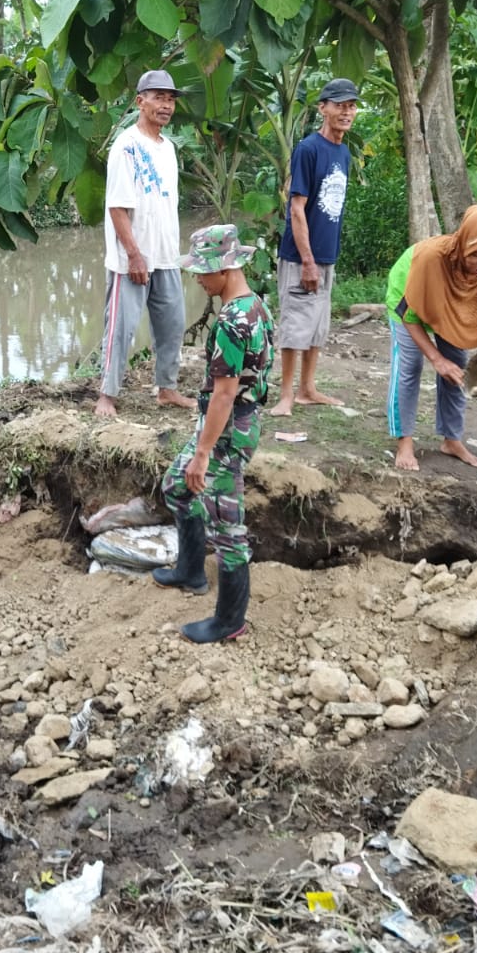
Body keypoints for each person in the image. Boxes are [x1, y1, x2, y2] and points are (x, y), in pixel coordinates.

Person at [152, 225, 275, 643]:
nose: (198, 278)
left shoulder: (231, 322)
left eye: (203, 271)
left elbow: (224, 394)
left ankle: (230, 621)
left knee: (228, 529)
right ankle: (190, 572)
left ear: (225, 268)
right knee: (176, 486)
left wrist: (204, 452)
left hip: (226, 430)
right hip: (223, 424)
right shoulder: (257, 306)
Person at [93, 69, 197, 419]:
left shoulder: (168, 148)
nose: (166, 105)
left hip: (166, 255)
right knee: (120, 328)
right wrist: (134, 254)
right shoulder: (126, 146)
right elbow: (117, 207)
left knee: (172, 325)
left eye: (170, 99)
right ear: (140, 101)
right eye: (158, 97)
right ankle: (106, 395)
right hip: (131, 259)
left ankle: (167, 389)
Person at [384, 206, 477, 472]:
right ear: (464, 245)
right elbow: (409, 316)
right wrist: (436, 359)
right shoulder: (431, 259)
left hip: (453, 304)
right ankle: (404, 441)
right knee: (410, 367)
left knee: (457, 367)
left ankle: (452, 439)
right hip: (408, 297)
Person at [272, 78, 358, 416]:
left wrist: (323, 258)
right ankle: (286, 395)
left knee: (317, 325)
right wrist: (307, 261)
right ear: (323, 108)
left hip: (325, 254)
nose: (346, 111)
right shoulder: (308, 149)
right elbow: (296, 207)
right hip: (300, 256)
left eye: (351, 105)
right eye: (339, 105)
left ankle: (308, 389)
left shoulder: (343, 152)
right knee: (294, 325)